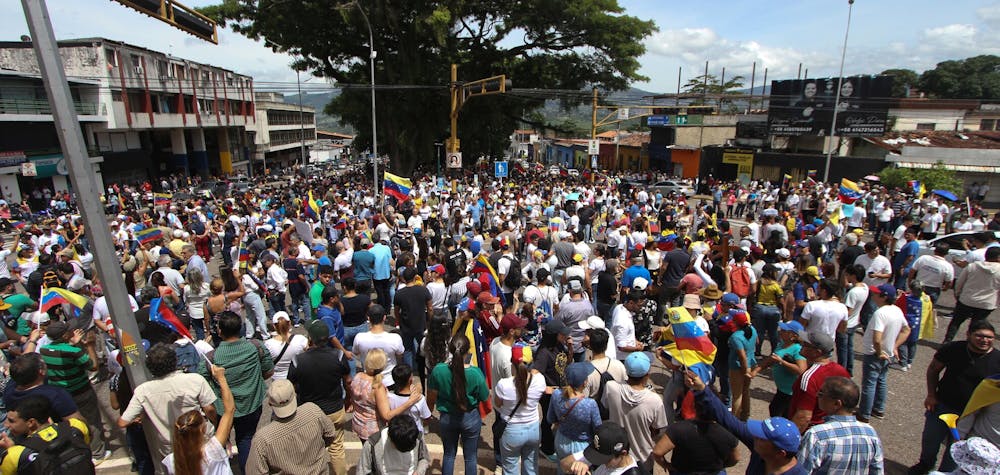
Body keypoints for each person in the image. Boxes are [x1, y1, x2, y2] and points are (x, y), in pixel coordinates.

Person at [911, 320, 1000, 474]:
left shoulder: (998, 359)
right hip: (942, 405)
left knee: (958, 447)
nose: (985, 340)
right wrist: (931, 395)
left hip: (971, 415)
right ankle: (925, 465)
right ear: (968, 334)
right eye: (980, 336)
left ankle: (946, 472)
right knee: (930, 439)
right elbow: (933, 369)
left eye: (990, 337)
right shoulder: (953, 348)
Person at [118, 343, 218, 472]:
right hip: (200, 438)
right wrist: (215, 423)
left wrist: (141, 417)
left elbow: (123, 422)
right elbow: (209, 410)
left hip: (170, 448)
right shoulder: (195, 380)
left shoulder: (143, 391)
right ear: (175, 361)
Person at [687, 370, 807, 475]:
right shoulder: (762, 450)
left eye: (762, 438)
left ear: (781, 453)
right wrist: (702, 389)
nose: (755, 437)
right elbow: (728, 420)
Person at [197, 311, 274, 473]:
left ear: (219, 332)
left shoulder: (211, 357)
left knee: (219, 442)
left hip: (222, 409)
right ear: (240, 328)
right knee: (245, 439)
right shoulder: (256, 347)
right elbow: (268, 371)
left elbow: (201, 384)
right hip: (251, 404)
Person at [288, 321, 353, 475]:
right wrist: (348, 399)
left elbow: (291, 385)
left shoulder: (298, 360)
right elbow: (348, 381)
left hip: (308, 413)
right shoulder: (338, 356)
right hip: (334, 409)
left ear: (310, 338)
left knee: (311, 450)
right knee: (337, 449)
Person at [39, 321, 108, 461]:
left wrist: (74, 344)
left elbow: (64, 354)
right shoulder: (73, 351)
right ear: (65, 335)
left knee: (67, 424)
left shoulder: (44, 350)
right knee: (91, 421)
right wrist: (89, 346)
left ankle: (74, 450)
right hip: (81, 392)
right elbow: (93, 366)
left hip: (60, 395)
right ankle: (97, 453)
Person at [426, 334, 490, 475]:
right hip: (470, 417)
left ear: (450, 349)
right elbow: (485, 397)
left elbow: (430, 397)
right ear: (468, 351)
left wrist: (427, 416)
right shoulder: (476, 373)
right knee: (471, 457)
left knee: (449, 455)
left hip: (447, 417)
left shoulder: (438, 370)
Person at [245, 380, 339, 475]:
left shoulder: (262, 439)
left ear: (270, 403)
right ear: (295, 395)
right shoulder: (313, 411)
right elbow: (330, 435)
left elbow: (254, 472)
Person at [799, 376, 885, 474]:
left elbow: (802, 471)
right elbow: (877, 471)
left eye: (821, 393)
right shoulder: (870, 433)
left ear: (837, 404)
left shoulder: (816, 435)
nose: (817, 395)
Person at [601, 352, 668, 472]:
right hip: (643, 459)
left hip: (617, 458)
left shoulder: (611, 387)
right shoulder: (655, 400)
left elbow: (605, 406)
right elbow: (659, 430)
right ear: (647, 375)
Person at [163, 364, 234, 475]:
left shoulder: (172, 461)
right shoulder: (213, 451)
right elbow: (229, 410)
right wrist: (221, 378)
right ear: (202, 430)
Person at [650, 387, 739, 474]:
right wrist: (722, 465)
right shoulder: (727, 432)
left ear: (695, 406)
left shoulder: (678, 429)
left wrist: (667, 465)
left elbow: (658, 452)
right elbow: (735, 458)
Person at [0, 395, 94, 474]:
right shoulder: (76, 426)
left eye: (11, 421)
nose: (6, 425)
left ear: (31, 422)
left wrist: (11, 450)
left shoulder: (15, 455)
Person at [858, 284, 910, 423]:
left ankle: (864, 414)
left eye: (876, 294)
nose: (873, 295)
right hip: (888, 354)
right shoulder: (897, 310)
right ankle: (878, 409)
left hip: (875, 354)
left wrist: (880, 351)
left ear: (884, 297)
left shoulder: (880, 313)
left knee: (869, 384)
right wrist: (894, 346)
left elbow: (877, 338)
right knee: (881, 381)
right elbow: (906, 330)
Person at [349, 348, 422, 443]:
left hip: (359, 423)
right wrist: (410, 401)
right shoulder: (377, 387)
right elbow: (387, 416)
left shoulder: (358, 376)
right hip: (374, 431)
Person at [493, 345, 545, 475]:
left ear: (512, 363)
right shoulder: (540, 380)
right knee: (531, 467)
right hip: (533, 429)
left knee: (510, 469)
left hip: (511, 431)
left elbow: (498, 404)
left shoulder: (503, 384)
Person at [789, 331, 849, 434]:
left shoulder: (809, 377)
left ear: (817, 352)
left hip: (810, 431)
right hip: (833, 428)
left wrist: (788, 442)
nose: (801, 344)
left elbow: (804, 417)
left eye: (805, 344)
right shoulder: (841, 371)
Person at [547, 362, 602, 472]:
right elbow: (598, 428)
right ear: (585, 383)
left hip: (561, 440)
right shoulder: (590, 404)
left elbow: (550, 419)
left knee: (562, 468)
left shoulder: (556, 394)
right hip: (581, 447)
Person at [943, 247, 1000, 343]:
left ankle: (947, 341)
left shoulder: (972, 266)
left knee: (956, 322)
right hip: (986, 304)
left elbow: (960, 283)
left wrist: (958, 295)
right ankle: (970, 343)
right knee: (976, 325)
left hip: (966, 300)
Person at [757, 320, 808, 418]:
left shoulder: (797, 349)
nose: (780, 331)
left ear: (793, 335)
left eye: (784, 330)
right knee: (774, 409)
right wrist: (756, 370)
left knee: (780, 413)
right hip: (782, 389)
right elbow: (771, 359)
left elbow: (801, 370)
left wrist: (782, 362)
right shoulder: (782, 345)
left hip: (791, 392)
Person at [559, 422, 644, 475]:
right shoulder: (598, 451)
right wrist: (575, 466)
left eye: (606, 459)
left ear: (623, 454)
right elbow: (563, 464)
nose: (603, 463)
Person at [358, 415, 431, 475]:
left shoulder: (416, 437)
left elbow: (424, 458)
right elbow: (362, 471)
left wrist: (419, 471)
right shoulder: (372, 444)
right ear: (389, 437)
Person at [353, 304, 405, 385]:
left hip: (369, 381)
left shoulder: (359, 337)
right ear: (384, 318)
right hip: (389, 380)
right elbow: (400, 354)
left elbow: (356, 352)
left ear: (368, 318)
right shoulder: (395, 338)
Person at [729, 310, 759, 421]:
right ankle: (745, 415)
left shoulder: (736, 337)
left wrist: (744, 369)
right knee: (746, 391)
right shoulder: (753, 330)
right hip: (751, 364)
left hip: (738, 367)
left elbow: (741, 355)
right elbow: (757, 342)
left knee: (737, 395)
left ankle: (734, 420)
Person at [265, 311, 308, 381]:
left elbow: (266, 365)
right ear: (290, 323)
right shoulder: (300, 339)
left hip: (278, 380)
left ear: (274, 326)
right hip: (296, 377)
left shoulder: (268, 344)